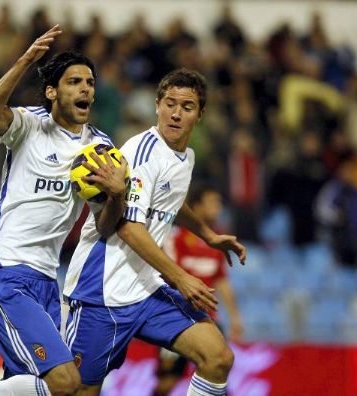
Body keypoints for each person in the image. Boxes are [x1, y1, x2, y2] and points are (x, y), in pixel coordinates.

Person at [0, 25, 128, 396]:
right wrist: (25, 60)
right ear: (52, 92)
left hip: (47, 282)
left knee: (35, 389)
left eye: (89, 81)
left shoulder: (100, 151)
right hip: (7, 274)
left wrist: (117, 196)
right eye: (74, 81)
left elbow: (105, 227)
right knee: (65, 382)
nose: (86, 88)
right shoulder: (29, 124)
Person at [63, 69, 247, 396]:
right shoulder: (142, 153)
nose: (176, 113)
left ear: (200, 115)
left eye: (187, 107)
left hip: (146, 291)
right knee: (78, 391)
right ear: (157, 105)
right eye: (169, 104)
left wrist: (208, 235)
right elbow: (130, 228)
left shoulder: (184, 157)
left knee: (218, 358)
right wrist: (181, 278)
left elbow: (171, 201)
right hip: (101, 293)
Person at [155, 184, 243, 396]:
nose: (218, 207)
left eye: (219, 203)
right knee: (167, 383)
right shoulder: (175, 237)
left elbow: (221, 281)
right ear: (196, 206)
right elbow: (165, 275)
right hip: (176, 318)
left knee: (217, 377)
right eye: (212, 202)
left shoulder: (218, 241)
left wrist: (235, 318)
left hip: (208, 319)